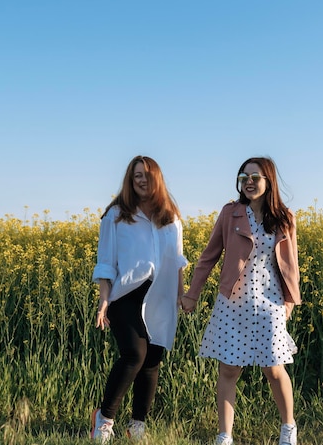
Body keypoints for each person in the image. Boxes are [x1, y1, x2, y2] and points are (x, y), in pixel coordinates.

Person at [181, 157, 301, 445]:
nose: (248, 181)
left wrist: (289, 302)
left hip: (270, 302)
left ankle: (288, 429)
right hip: (233, 302)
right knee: (228, 369)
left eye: (255, 177)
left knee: (273, 369)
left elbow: (291, 264)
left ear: (268, 181)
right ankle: (224, 436)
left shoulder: (285, 217)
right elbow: (209, 256)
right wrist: (192, 294)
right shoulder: (230, 213)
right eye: (243, 177)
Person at [90, 155, 187, 443]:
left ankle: (137, 426)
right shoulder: (116, 215)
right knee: (134, 354)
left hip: (161, 296)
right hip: (126, 295)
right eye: (136, 176)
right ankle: (104, 420)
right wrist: (103, 301)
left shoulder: (170, 216)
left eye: (147, 175)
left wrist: (181, 296)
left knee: (152, 361)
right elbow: (106, 262)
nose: (142, 180)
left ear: (157, 178)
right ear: (130, 181)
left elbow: (178, 260)